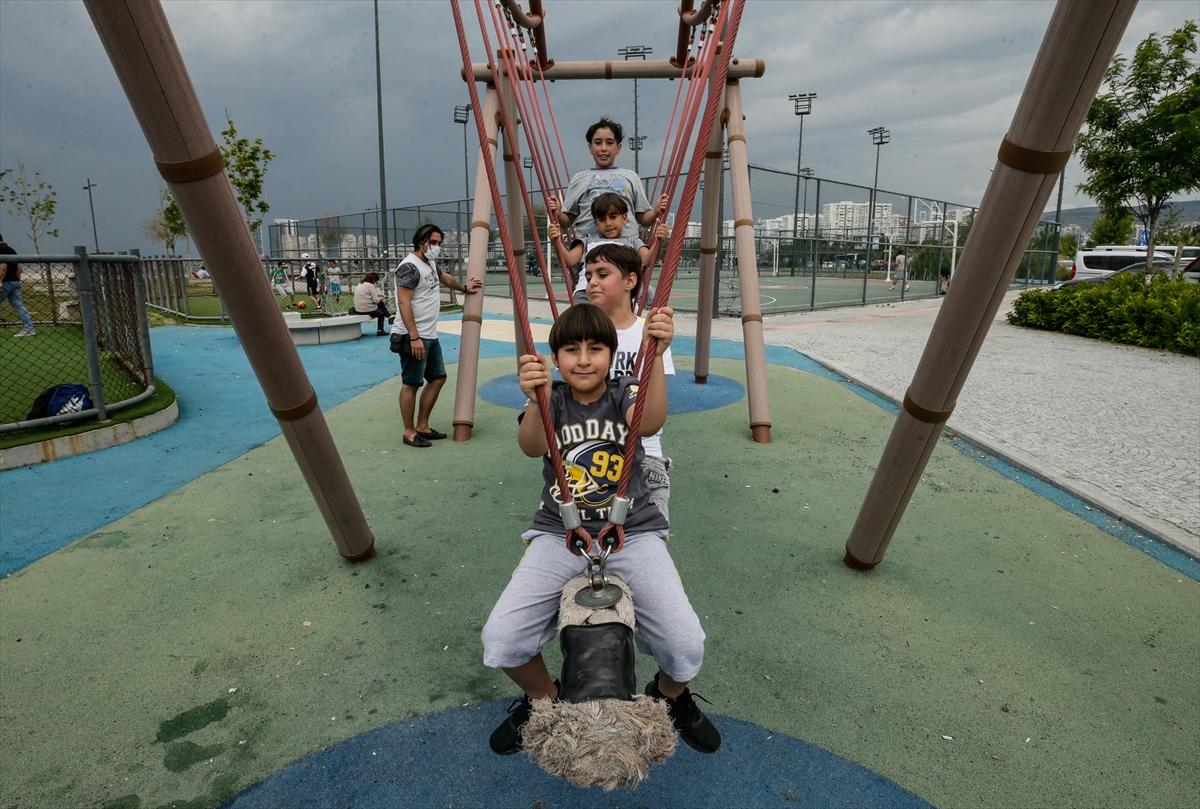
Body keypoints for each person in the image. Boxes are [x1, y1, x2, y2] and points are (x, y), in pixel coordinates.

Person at [482, 303, 719, 757]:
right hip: (559, 533)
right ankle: (544, 701)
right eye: (571, 349)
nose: (584, 359)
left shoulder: (626, 391)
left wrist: (658, 354)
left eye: (595, 348)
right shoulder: (549, 397)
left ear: (612, 356)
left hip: (630, 531)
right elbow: (532, 447)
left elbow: (649, 422)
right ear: (556, 359)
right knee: (503, 638)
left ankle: (669, 696)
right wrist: (534, 400)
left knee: (686, 643)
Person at [583, 243, 675, 522]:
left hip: (643, 454)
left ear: (630, 281)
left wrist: (655, 354)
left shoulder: (648, 333)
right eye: (588, 277)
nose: (592, 283)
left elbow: (655, 410)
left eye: (602, 274)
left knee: (646, 536)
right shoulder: (580, 336)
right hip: (589, 449)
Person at [392, 224, 483, 448]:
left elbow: (446, 278)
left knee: (438, 378)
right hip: (412, 336)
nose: (436, 247)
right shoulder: (409, 267)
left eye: (439, 243)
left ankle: (423, 426)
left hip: (429, 334)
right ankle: (409, 431)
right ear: (420, 241)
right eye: (433, 242)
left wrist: (464, 288)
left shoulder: (429, 263)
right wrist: (414, 337)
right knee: (411, 384)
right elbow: (403, 303)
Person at [555, 117, 668, 240]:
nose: (604, 148)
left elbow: (643, 219)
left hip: (625, 248)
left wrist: (656, 211)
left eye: (609, 143)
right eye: (598, 143)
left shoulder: (631, 177)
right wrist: (558, 213)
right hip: (589, 249)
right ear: (590, 147)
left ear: (618, 148)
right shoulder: (579, 179)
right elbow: (567, 220)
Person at [547, 193, 668, 304]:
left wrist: (659, 242)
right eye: (602, 219)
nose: (608, 223)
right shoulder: (588, 241)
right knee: (583, 324)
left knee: (616, 323)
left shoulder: (632, 241)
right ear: (596, 223)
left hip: (619, 294)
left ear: (625, 218)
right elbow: (569, 260)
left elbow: (647, 259)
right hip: (587, 292)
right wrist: (556, 242)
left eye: (613, 217)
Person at [0, 233, 36, 336]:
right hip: (14, 282)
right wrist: (18, 281)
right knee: (19, 306)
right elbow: (18, 267)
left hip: (5, 282)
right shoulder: (11, 250)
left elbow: (2, 266)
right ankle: (29, 328)